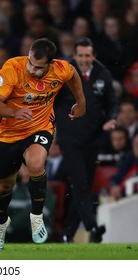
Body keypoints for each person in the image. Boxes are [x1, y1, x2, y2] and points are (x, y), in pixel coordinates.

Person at [0, 38, 86, 250]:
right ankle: (1, 224)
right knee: (4, 185)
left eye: (38, 67)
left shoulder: (60, 69)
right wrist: (14, 112)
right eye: (30, 63)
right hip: (8, 133)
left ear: (51, 64)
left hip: (39, 127)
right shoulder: (13, 67)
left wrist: (81, 101)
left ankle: (37, 216)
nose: (32, 69)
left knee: (36, 164)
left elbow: (73, 75)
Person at [54, 37, 118, 243]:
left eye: (87, 55)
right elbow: (51, 101)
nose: (83, 59)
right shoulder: (63, 73)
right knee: (80, 184)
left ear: (94, 56)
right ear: (74, 55)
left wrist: (111, 120)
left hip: (93, 139)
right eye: (80, 55)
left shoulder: (103, 74)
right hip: (70, 139)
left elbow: (112, 103)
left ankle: (67, 234)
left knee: (82, 187)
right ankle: (93, 226)